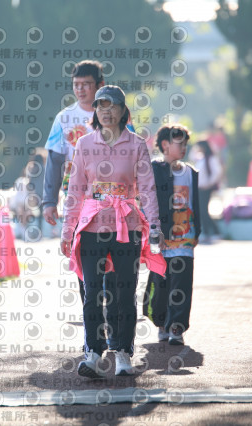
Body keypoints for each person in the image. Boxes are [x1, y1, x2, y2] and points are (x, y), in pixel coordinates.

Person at [60, 85, 165, 378]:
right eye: (100, 106)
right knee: (92, 291)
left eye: (112, 106)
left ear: (122, 111)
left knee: (124, 291)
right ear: (95, 111)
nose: (106, 112)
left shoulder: (137, 145)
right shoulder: (84, 144)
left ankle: (122, 352)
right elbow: (75, 190)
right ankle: (93, 353)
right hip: (91, 226)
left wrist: (155, 225)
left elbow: (148, 189)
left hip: (126, 227)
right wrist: (67, 231)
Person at [41, 60, 120, 347]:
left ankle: (114, 324)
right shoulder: (65, 118)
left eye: (86, 84)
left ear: (100, 85)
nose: (81, 90)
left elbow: (133, 155)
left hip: (114, 203)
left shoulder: (117, 114)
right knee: (86, 266)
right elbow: (54, 160)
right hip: (78, 202)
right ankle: (93, 330)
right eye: (76, 85)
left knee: (114, 263)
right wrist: (49, 200)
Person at [144, 125, 200, 345]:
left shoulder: (190, 172)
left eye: (186, 143)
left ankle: (177, 327)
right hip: (161, 240)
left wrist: (198, 230)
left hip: (185, 239)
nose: (184, 147)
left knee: (182, 284)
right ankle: (161, 322)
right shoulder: (153, 170)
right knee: (161, 284)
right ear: (165, 145)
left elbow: (195, 203)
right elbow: (146, 201)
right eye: (179, 143)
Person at [194, 140, 222, 242]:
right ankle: (206, 232)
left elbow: (217, 172)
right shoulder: (200, 158)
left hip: (206, 188)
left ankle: (214, 232)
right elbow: (192, 156)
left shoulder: (211, 158)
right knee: (201, 211)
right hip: (200, 188)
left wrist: (209, 184)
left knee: (203, 211)